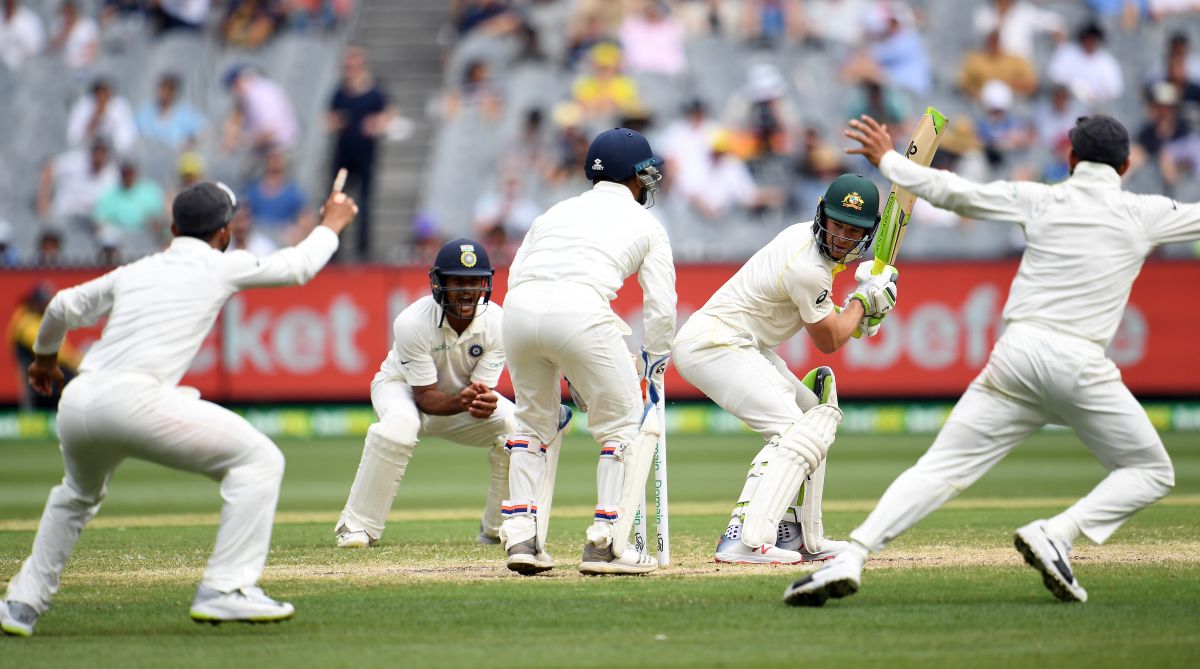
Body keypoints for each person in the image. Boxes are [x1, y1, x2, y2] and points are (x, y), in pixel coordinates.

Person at [784, 114, 1194, 607]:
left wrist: (887, 160)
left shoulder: (1041, 198)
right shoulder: (1143, 212)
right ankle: (1058, 532)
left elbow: (955, 192)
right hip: (1083, 363)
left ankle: (853, 554)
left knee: (938, 469)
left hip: (1017, 357)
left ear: (1070, 159)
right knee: (1152, 471)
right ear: (1126, 165)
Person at [0, 180, 358, 637]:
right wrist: (332, 223)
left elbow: (62, 306)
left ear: (173, 227)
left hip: (79, 402)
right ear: (225, 233)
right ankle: (225, 590)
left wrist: (45, 360)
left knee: (76, 496)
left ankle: (22, 602)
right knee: (260, 460)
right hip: (132, 401)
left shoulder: (137, 270)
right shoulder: (219, 265)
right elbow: (299, 267)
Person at [673, 173, 898, 564]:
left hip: (735, 343)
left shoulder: (810, 250)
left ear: (868, 233)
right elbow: (828, 341)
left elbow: (836, 325)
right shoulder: (807, 267)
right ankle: (744, 541)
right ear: (821, 216)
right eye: (837, 225)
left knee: (814, 415)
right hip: (715, 343)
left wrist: (862, 311)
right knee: (794, 433)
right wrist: (864, 302)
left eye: (853, 231)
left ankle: (799, 536)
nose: (842, 237)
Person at [500, 127, 676, 575]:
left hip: (518, 312)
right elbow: (661, 307)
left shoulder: (554, 212)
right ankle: (607, 542)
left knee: (532, 423)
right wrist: (655, 363)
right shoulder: (648, 225)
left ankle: (520, 534)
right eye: (646, 174)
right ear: (634, 176)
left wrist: (570, 360)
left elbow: (518, 275)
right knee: (622, 425)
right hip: (582, 311)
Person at [334, 238, 571, 553]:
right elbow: (425, 399)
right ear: (438, 282)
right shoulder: (411, 322)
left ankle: (499, 528)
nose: (467, 290)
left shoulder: (498, 323)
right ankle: (357, 526)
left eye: (475, 281)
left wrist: (482, 403)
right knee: (399, 428)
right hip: (401, 390)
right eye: (458, 281)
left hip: (457, 398)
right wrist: (465, 401)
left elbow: (477, 393)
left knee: (517, 430)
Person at [328, 45, 395, 261]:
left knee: (364, 205)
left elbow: (388, 115)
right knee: (338, 202)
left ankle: (362, 251)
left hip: (365, 157)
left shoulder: (373, 93)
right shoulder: (340, 93)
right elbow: (329, 118)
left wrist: (376, 124)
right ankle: (335, 249)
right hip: (343, 159)